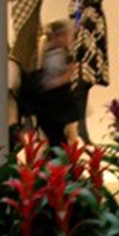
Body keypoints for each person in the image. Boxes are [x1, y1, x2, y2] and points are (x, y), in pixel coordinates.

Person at [69, 0, 108, 143]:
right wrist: (79, 30)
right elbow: (76, 5)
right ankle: (78, 129)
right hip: (87, 36)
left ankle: (81, 129)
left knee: (85, 83)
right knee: (82, 82)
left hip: (91, 33)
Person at [34, 20, 79, 148]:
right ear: (61, 36)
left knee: (57, 139)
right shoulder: (53, 54)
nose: (70, 39)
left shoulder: (56, 51)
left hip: (53, 105)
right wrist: (67, 75)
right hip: (52, 105)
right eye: (68, 35)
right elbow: (49, 83)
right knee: (57, 141)